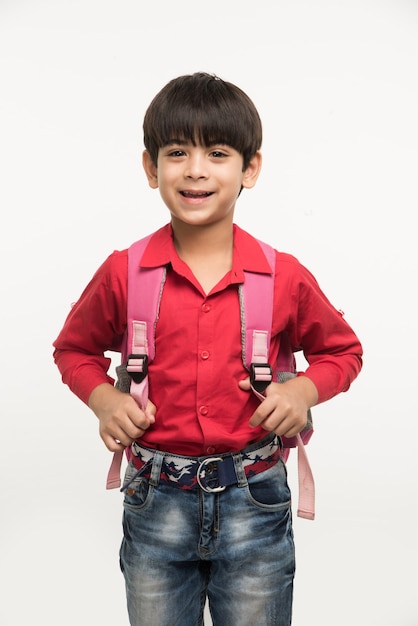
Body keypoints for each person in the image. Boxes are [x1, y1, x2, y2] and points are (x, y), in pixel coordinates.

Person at [53, 72, 363, 626]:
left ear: (250, 168)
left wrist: (302, 389)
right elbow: (73, 350)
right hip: (155, 502)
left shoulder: (283, 276)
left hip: (255, 502)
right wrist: (103, 400)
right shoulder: (123, 272)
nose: (196, 169)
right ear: (151, 169)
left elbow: (344, 352)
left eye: (217, 153)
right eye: (177, 152)